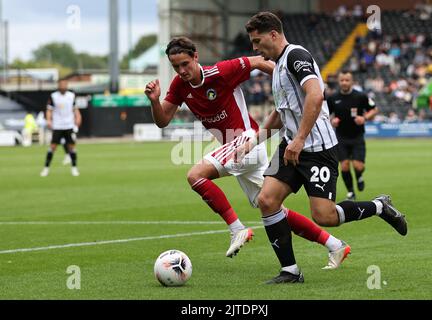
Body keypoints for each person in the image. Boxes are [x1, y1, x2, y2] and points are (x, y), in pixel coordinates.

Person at [145, 37, 350, 269]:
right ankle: (334, 244)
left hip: (246, 140)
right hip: (239, 149)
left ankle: (237, 229)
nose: (182, 71)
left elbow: (257, 62)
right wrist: (154, 102)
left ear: (195, 57)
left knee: (195, 175)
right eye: (176, 67)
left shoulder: (221, 71)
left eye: (185, 64)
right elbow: (163, 120)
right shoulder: (179, 86)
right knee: (272, 208)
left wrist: (285, 84)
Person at [240, 12, 407, 284]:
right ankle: (290, 271)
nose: (255, 48)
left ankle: (379, 206)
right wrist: (255, 139)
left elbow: (315, 96)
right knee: (267, 200)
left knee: (325, 216)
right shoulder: (279, 66)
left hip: (316, 148)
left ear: (273, 34)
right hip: (291, 146)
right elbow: (282, 112)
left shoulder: (296, 56)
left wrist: (300, 139)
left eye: (258, 41)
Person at [327, 70, 379, 200]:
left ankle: (359, 176)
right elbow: (324, 115)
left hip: (357, 137)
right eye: (342, 80)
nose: (344, 83)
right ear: (339, 82)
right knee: (344, 166)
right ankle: (351, 192)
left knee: (358, 166)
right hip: (341, 137)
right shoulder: (333, 98)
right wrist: (331, 121)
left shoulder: (361, 96)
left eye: (347, 80)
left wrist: (364, 118)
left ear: (352, 81)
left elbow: (374, 109)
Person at [40, 79, 81, 177]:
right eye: (61, 84)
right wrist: (49, 120)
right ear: (58, 85)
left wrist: (78, 118)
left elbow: (75, 110)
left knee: (71, 147)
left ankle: (74, 168)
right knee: (53, 147)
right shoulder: (53, 96)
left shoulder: (71, 96)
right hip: (58, 125)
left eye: (65, 84)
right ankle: (46, 168)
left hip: (69, 125)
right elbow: (49, 110)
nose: (63, 86)